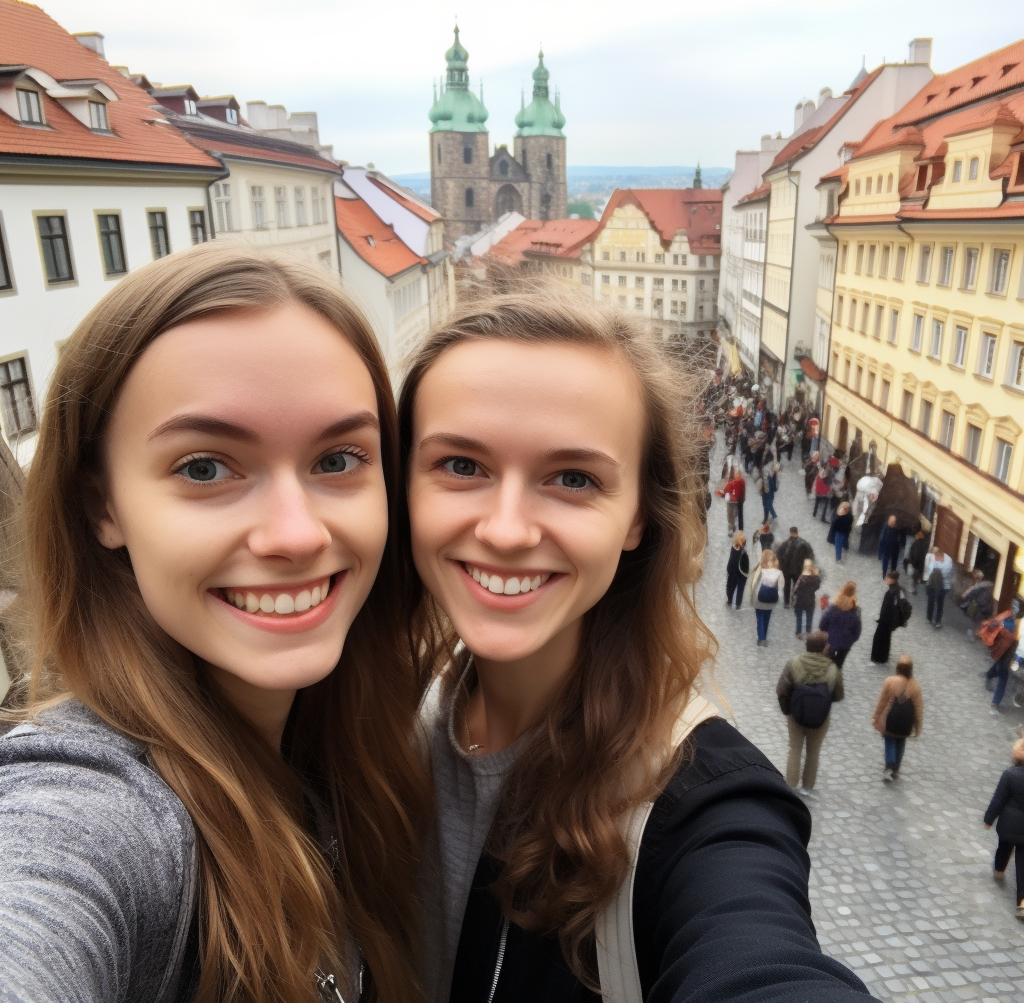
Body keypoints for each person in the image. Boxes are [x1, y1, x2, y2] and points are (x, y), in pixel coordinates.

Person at [400, 284, 874, 1003]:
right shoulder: (374, 717)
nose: (505, 529)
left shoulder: (698, 802)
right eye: (461, 465)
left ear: (637, 519)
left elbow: (754, 950)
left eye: (573, 478)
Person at [0, 244, 428, 1000]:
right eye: (205, 467)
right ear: (103, 506)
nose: (295, 535)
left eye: (337, 460)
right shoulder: (97, 809)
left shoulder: (342, 750)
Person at [776, 631, 845, 797]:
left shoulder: (794, 663)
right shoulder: (833, 668)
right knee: (813, 753)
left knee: (795, 749)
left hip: (796, 715)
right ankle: (807, 787)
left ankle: (791, 786)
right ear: (823, 649)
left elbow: (781, 689)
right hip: (820, 718)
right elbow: (838, 695)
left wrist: (788, 711)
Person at [983, 738, 1024, 920]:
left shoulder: (1010, 774)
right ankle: (1022, 903)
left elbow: (998, 800)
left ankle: (999, 869)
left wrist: (988, 819)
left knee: (1003, 848)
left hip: (1008, 825)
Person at [871, 655, 923, 781]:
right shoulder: (915, 687)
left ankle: (889, 764)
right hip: (906, 721)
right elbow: (918, 709)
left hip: (891, 718)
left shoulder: (890, 681)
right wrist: (918, 727)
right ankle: (896, 767)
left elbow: (882, 701)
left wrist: (876, 716)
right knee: (901, 741)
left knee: (889, 740)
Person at [983, 603, 1021, 714]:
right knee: (1003, 677)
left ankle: (989, 676)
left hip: (1003, 650)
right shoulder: (1017, 623)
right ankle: (994, 704)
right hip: (1008, 651)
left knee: (999, 667)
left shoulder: (1011, 618)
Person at [818, 582, 862, 668]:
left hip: (830, 640)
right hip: (846, 643)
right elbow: (857, 631)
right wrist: (850, 640)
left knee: (826, 661)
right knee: (839, 663)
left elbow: (822, 624)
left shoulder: (832, 608)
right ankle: (836, 676)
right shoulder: (855, 611)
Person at [870, 571, 907, 664]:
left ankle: (878, 657)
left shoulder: (891, 592)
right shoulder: (896, 590)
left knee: (880, 638)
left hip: (886, 620)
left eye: (888, 578)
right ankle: (882, 657)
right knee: (885, 638)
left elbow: (889, 608)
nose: (885, 579)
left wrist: (882, 618)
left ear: (892, 580)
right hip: (888, 620)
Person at [777, 525, 816, 608]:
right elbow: (810, 556)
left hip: (786, 570)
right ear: (797, 533)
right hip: (798, 569)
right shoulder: (804, 544)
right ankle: (794, 600)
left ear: (790, 533)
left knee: (786, 586)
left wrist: (780, 567)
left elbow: (779, 555)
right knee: (797, 585)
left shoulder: (785, 544)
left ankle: (786, 602)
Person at [751, 549, 784, 646]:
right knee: (767, 617)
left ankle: (761, 638)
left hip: (759, 599)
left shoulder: (761, 571)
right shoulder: (779, 573)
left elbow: (754, 584)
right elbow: (781, 587)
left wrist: (753, 597)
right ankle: (764, 636)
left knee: (760, 617)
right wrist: (777, 597)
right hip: (771, 600)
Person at [923, 544, 954, 628]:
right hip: (931, 583)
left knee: (940, 602)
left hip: (942, 585)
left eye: (936, 556)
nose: (935, 557)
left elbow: (946, 574)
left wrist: (936, 571)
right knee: (930, 600)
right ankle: (929, 617)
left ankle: (938, 621)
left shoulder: (948, 561)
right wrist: (926, 579)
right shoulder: (931, 557)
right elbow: (928, 569)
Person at [793, 559, 821, 638]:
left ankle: (798, 632)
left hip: (800, 600)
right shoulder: (815, 579)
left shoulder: (802, 578)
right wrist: (817, 575)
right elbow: (817, 587)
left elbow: (796, 589)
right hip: (810, 600)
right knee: (809, 617)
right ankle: (808, 631)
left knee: (799, 617)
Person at [726, 531, 751, 609]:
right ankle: (738, 604)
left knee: (730, 586)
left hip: (732, 572)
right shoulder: (744, 552)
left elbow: (731, 560)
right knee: (740, 588)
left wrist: (729, 570)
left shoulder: (733, 548)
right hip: (741, 574)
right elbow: (746, 564)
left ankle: (729, 600)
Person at [827, 501, 854, 565]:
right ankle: (845, 547)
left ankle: (838, 558)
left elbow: (834, 525)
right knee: (844, 541)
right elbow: (850, 524)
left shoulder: (838, 517)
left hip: (839, 532)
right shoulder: (850, 516)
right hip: (845, 532)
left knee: (838, 546)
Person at [723, 467, 746, 535]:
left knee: (731, 514)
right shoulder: (741, 481)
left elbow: (726, 490)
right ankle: (738, 528)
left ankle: (732, 527)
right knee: (736, 514)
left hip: (732, 500)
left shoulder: (731, 481)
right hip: (737, 500)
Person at [877, 514, 900, 580]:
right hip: (886, 547)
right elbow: (881, 539)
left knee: (894, 562)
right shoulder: (885, 527)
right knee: (885, 561)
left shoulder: (896, 528)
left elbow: (898, 538)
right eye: (890, 522)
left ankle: (893, 575)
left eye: (893, 522)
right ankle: (884, 575)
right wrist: (880, 552)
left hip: (894, 548)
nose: (891, 523)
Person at [905, 531, 928, 595]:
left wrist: (911, 561)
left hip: (915, 562)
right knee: (919, 572)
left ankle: (912, 588)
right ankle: (919, 579)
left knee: (911, 575)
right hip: (922, 562)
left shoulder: (915, 544)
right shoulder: (926, 543)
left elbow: (913, 553)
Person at [760, 450, 779, 522]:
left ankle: (771, 516)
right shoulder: (774, 465)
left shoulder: (765, 467)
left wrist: (766, 489)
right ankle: (767, 518)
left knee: (766, 503)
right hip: (772, 485)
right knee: (769, 502)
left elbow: (765, 479)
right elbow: (777, 477)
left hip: (766, 486)